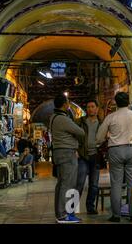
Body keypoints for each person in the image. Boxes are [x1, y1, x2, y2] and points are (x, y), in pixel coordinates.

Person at [96, 92, 132, 223]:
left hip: (115, 150)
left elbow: (99, 137)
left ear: (116, 103)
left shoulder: (111, 117)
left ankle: (116, 215)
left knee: (116, 183)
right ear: (128, 102)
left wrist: (108, 137)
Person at [50, 94, 85, 224]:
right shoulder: (62, 119)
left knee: (61, 184)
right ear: (65, 104)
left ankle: (60, 213)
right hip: (67, 153)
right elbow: (80, 131)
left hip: (59, 152)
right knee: (67, 184)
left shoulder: (54, 117)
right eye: (68, 102)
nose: (69, 104)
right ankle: (63, 215)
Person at [75, 99, 102, 215]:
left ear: (97, 108)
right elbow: (72, 135)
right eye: (88, 107)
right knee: (79, 183)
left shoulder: (102, 123)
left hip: (95, 156)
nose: (90, 109)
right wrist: (75, 149)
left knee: (94, 184)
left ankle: (90, 207)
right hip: (82, 156)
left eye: (92, 106)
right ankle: (72, 207)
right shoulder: (80, 121)